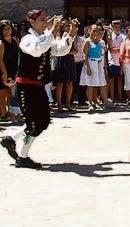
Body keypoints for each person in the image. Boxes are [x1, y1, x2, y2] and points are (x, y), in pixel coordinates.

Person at [1, 10, 78, 169]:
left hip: (37, 86)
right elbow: (36, 50)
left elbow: (60, 50)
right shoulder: (27, 39)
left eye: (45, 19)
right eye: (42, 20)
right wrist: (51, 31)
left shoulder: (45, 37)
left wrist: (70, 34)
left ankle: (12, 139)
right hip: (26, 86)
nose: (45, 22)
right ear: (32, 22)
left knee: (43, 121)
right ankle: (22, 156)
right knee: (35, 123)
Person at [80, 24, 112, 112]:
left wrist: (103, 51)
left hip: (99, 64)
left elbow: (100, 54)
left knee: (101, 83)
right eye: (93, 30)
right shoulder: (87, 41)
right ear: (89, 30)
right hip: (91, 63)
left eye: (96, 31)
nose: (95, 33)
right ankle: (90, 103)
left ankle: (105, 102)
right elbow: (84, 56)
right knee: (90, 85)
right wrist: (88, 68)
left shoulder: (99, 42)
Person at [53, 19, 77, 112]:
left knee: (70, 82)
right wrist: (63, 51)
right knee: (60, 82)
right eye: (66, 26)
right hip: (60, 59)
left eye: (68, 26)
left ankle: (68, 103)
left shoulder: (72, 37)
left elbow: (75, 50)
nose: (67, 28)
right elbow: (59, 48)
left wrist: (67, 51)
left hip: (69, 59)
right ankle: (59, 103)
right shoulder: (58, 36)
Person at [0, 20, 19, 120]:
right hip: (3, 70)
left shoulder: (14, 41)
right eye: (4, 29)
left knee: (10, 93)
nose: (7, 31)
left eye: (9, 29)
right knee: (2, 92)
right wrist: (4, 73)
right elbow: (0, 60)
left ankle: (9, 111)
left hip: (13, 70)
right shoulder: (1, 43)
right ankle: (3, 112)